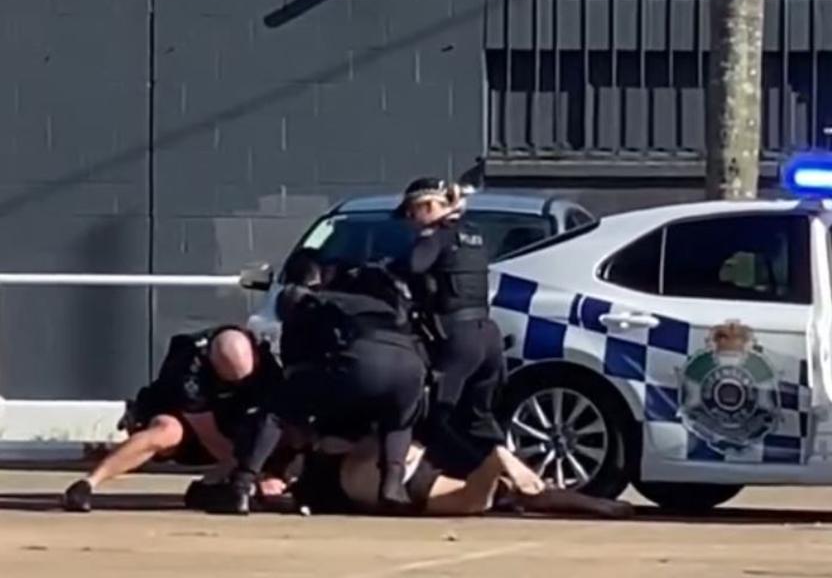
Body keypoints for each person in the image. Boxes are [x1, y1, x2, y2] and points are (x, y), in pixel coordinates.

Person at [211, 253, 429, 515]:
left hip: (359, 362)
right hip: (410, 367)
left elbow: (296, 360)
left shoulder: (319, 302)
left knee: (277, 412)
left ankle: (241, 487)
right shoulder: (388, 304)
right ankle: (392, 489)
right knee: (397, 422)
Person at [62, 326, 283, 513]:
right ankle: (88, 484)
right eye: (229, 380)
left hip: (235, 422)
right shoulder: (187, 367)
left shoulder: (265, 363)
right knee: (167, 431)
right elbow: (210, 437)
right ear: (212, 361)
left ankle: (212, 485)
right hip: (190, 424)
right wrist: (251, 476)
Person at [395, 178, 507, 479]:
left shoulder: (436, 236)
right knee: (478, 419)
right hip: (488, 336)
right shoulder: (475, 235)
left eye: (412, 212)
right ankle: (511, 471)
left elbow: (413, 266)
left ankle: (479, 476)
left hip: (458, 339)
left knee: (437, 418)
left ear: (429, 206)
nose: (410, 221)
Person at [293, 436, 633, 519]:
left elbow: (543, 494)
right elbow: (477, 498)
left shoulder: (503, 493)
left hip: (392, 474)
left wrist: (601, 505)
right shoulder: (480, 497)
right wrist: (500, 462)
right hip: (401, 478)